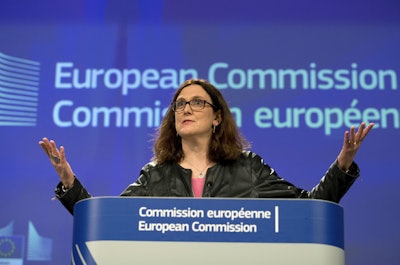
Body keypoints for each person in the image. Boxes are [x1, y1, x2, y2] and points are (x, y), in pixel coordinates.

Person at [39, 78, 374, 215]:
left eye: (197, 103)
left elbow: (311, 209)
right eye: (180, 104)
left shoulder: (249, 167)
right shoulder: (156, 176)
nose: (185, 109)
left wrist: (342, 164)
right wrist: (69, 183)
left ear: (217, 118)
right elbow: (108, 220)